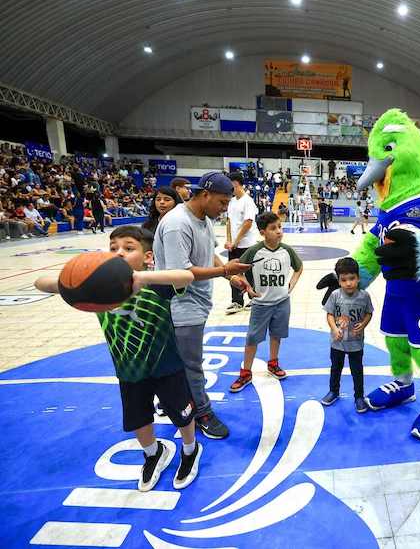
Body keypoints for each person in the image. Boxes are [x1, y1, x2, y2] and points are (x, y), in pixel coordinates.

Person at [34, 226, 202, 492]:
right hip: (128, 370)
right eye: (113, 248)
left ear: (148, 257)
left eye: (128, 248)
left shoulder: (156, 285)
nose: (119, 252)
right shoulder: (97, 289)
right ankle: (153, 453)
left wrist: (140, 277)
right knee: (138, 419)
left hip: (167, 366)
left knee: (181, 414)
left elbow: (187, 276)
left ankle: (190, 449)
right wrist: (76, 276)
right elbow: (40, 283)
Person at [154, 172, 252, 439]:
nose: (224, 209)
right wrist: (225, 271)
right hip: (180, 303)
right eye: (222, 202)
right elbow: (180, 273)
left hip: (197, 301)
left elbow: (210, 253)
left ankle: (172, 400)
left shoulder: (203, 219)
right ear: (205, 195)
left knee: (181, 359)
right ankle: (202, 413)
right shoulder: (177, 223)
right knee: (192, 364)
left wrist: (230, 276)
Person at [228, 212, 303, 392]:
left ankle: (273, 363)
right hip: (261, 304)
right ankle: (246, 372)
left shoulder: (287, 250)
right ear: (262, 232)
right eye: (273, 228)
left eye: (280, 227)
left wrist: (291, 285)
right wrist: (247, 287)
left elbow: (299, 268)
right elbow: (237, 271)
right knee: (252, 338)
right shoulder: (254, 251)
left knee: (276, 334)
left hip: (282, 302)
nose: (279, 231)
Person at [320, 257, 373, 412]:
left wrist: (363, 324)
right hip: (337, 343)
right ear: (339, 280)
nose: (348, 283)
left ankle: (359, 397)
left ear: (358, 278)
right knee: (335, 368)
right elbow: (329, 314)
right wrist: (334, 329)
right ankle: (333, 391)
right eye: (344, 280)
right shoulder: (335, 295)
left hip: (356, 343)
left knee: (357, 371)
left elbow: (369, 313)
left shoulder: (364, 296)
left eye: (352, 278)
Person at [225, 172, 260, 315]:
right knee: (233, 272)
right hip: (234, 245)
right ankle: (237, 301)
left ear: (237, 184)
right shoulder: (232, 201)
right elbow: (228, 221)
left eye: (230, 185)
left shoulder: (248, 201)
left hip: (247, 244)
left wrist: (236, 241)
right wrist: (229, 240)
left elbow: (248, 223)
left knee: (250, 273)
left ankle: (254, 298)